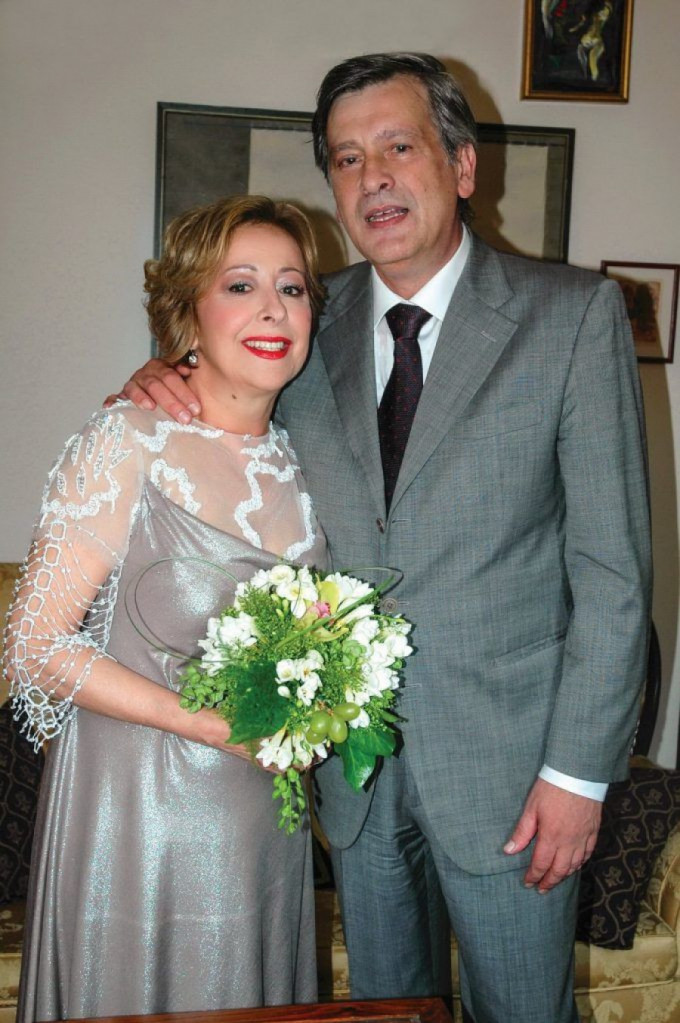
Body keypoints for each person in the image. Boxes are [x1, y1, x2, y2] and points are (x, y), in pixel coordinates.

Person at [115, 53, 652, 1023]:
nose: (373, 179)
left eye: (398, 147)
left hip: (511, 779)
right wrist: (161, 374)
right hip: (351, 776)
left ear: (461, 166)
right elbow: (217, 387)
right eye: (347, 158)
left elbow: (612, 574)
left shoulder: (569, 318)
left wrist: (577, 775)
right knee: (384, 1013)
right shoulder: (303, 320)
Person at [3, 195, 328, 1021]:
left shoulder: (305, 461)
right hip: (136, 815)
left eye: (292, 288)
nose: (272, 309)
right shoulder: (127, 439)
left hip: (265, 825)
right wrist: (214, 727)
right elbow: (33, 642)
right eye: (240, 285)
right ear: (189, 312)